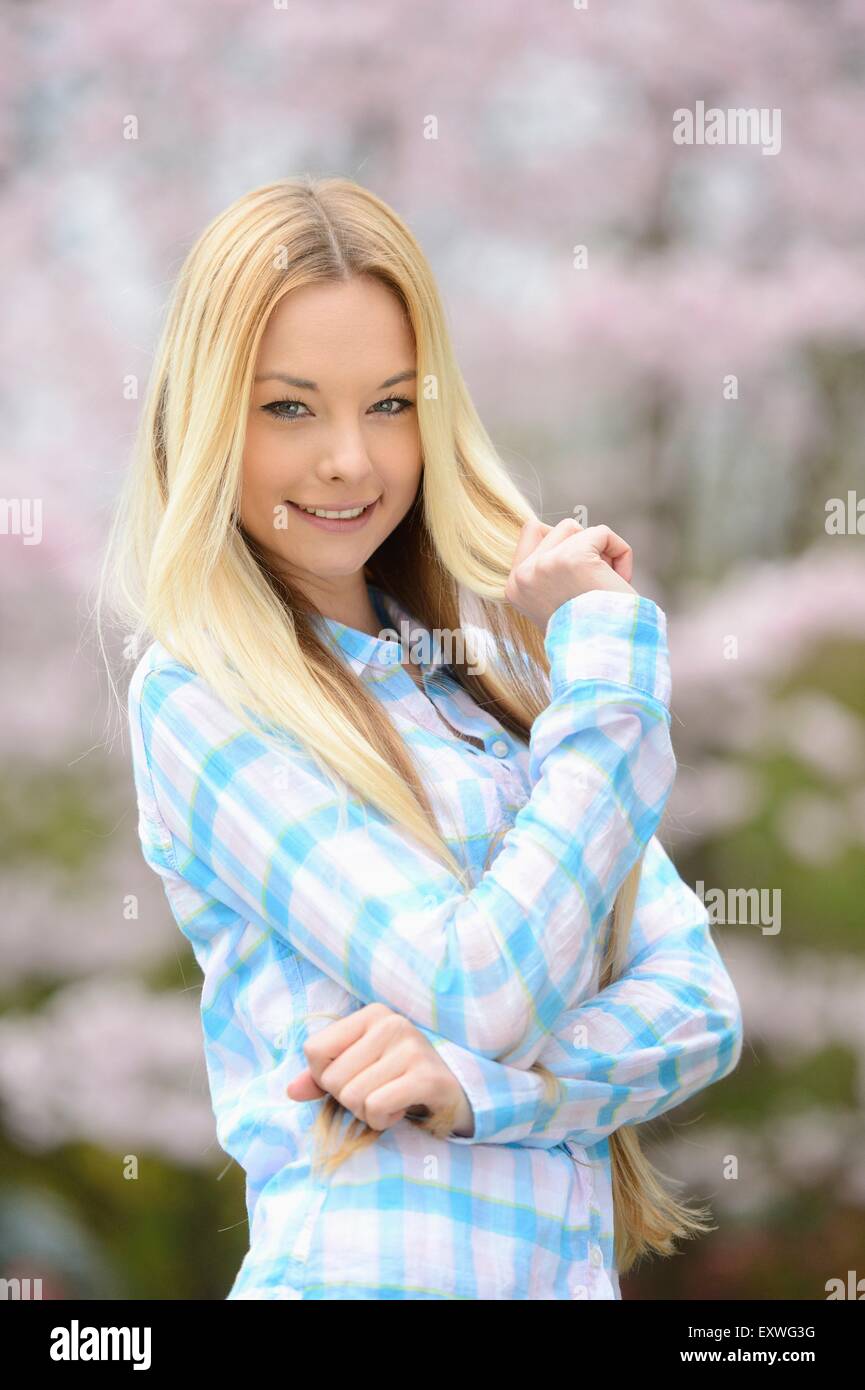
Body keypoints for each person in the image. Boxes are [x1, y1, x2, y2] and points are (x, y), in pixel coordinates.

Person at [97, 174, 743, 1300]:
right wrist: (608, 684)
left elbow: (695, 1010)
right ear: (209, 417)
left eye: (391, 403)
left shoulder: (486, 690)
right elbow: (475, 981)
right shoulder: (201, 693)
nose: (350, 458)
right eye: (290, 406)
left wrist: (480, 1091)